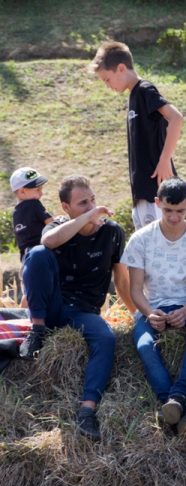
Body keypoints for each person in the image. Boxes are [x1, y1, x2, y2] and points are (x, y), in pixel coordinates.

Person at [18, 175, 135, 441]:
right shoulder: (58, 226)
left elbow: (121, 280)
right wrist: (86, 218)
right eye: (83, 203)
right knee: (37, 254)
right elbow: (48, 243)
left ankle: (87, 411)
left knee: (105, 338)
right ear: (65, 208)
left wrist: (136, 315)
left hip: (84, 311)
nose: (91, 207)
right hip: (54, 306)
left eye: (92, 200)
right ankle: (37, 330)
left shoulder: (111, 232)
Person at [121, 177, 186, 432]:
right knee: (144, 344)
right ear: (157, 204)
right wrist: (149, 313)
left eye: (180, 211)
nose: (174, 217)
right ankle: (175, 405)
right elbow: (135, 289)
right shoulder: (140, 239)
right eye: (168, 211)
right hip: (152, 305)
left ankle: (176, 398)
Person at [90, 41, 184, 230]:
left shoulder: (144, 89)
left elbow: (176, 118)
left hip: (156, 190)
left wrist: (165, 160)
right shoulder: (133, 95)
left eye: (107, 79)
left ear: (121, 68)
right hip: (141, 191)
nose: (107, 86)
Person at [10, 167, 53, 263]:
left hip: (26, 257)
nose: (41, 193)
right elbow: (51, 223)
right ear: (22, 191)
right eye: (38, 190)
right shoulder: (34, 204)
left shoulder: (15, 212)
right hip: (43, 251)